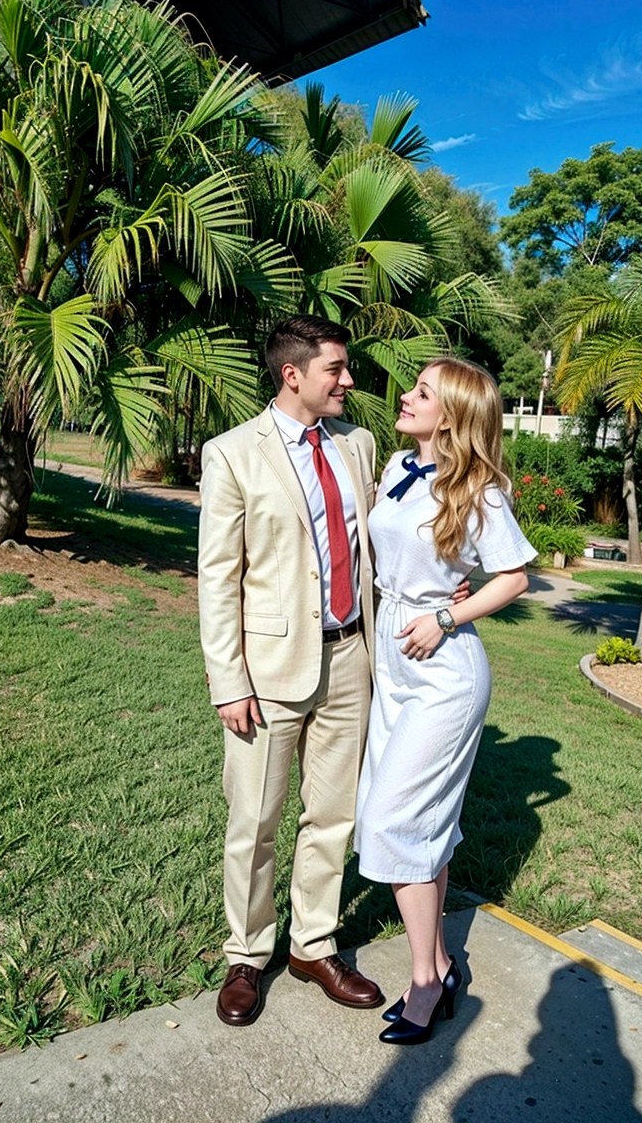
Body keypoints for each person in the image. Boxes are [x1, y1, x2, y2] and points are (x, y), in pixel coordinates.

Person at [199, 315, 472, 1027]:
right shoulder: (232, 455)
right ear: (294, 375)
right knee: (255, 820)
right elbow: (217, 577)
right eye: (336, 370)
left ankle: (313, 945)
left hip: (354, 655)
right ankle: (248, 954)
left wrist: (455, 588)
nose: (349, 381)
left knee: (333, 816)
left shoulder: (360, 444)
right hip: (267, 668)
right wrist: (229, 680)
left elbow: (400, 535)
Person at [355, 357, 537, 1046]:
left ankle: (427, 983)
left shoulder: (481, 489)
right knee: (421, 821)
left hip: (444, 669)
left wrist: (449, 615)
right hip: (394, 661)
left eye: (423, 391)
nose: (406, 394)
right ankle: (438, 967)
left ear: (453, 414)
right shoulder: (401, 466)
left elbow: (514, 578)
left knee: (392, 821)